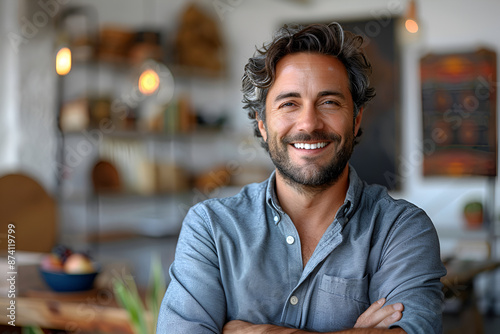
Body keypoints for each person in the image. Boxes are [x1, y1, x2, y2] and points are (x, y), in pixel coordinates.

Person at [157, 22, 446, 334]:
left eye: (329, 102)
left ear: (356, 118)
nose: (309, 123)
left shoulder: (401, 229)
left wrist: (261, 332)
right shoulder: (211, 228)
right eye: (289, 103)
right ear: (263, 123)